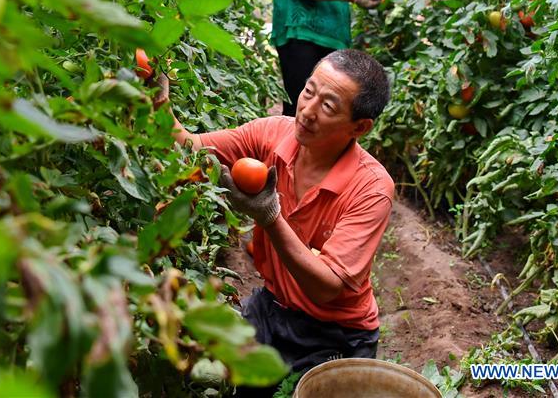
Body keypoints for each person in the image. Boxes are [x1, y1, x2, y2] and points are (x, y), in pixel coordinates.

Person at [158, 49, 393, 397]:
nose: (308, 111)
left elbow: (327, 287)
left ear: (360, 127)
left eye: (327, 106)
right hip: (274, 307)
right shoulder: (272, 135)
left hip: (335, 332)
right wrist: (158, 102)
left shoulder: (372, 188)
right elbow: (191, 148)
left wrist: (270, 218)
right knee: (209, 377)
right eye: (308, 92)